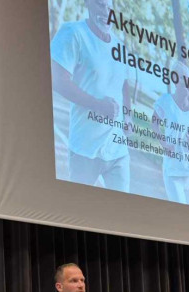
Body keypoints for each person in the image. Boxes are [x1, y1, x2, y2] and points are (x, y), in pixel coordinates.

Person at [50, 0, 132, 192]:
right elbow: (58, 80)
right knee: (79, 206)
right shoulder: (73, 33)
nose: (106, 12)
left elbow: (124, 84)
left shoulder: (120, 46)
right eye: (100, 5)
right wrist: (98, 105)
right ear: (87, 3)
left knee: (124, 208)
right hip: (85, 148)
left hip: (117, 150)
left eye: (109, 7)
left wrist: (128, 116)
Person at [152, 61, 189, 206]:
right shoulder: (166, 101)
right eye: (182, 78)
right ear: (175, 81)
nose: (186, 83)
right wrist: (164, 145)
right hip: (173, 172)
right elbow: (154, 123)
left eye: (187, 79)